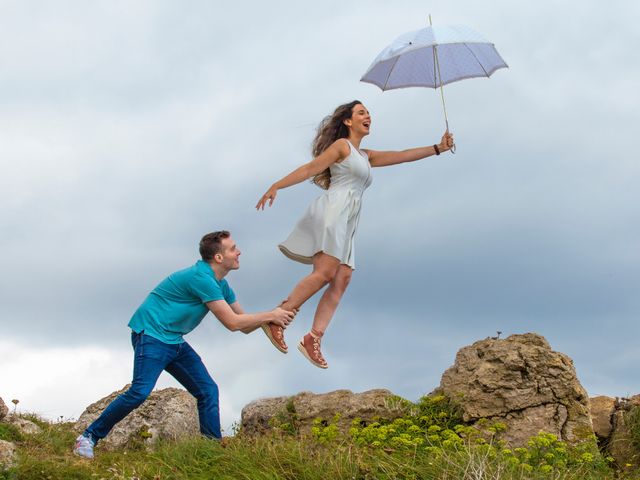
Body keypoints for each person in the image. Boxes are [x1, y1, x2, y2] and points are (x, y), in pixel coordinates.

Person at [256, 100, 454, 369]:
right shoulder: (342, 147)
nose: (368, 116)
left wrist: (437, 148)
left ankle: (313, 338)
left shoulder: (366, 156)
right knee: (325, 273)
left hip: (349, 218)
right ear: (348, 121)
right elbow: (310, 169)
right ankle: (277, 317)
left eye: (368, 113)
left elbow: (402, 154)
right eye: (361, 112)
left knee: (342, 277)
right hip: (333, 211)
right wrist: (277, 185)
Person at [73, 230, 295, 459]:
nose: (239, 252)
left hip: (174, 340)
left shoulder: (222, 285)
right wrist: (270, 315)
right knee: (140, 392)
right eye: (233, 249)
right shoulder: (202, 278)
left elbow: (245, 325)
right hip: (151, 334)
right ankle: (88, 437)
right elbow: (232, 323)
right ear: (218, 258)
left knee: (208, 391)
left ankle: (211, 453)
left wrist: (272, 316)